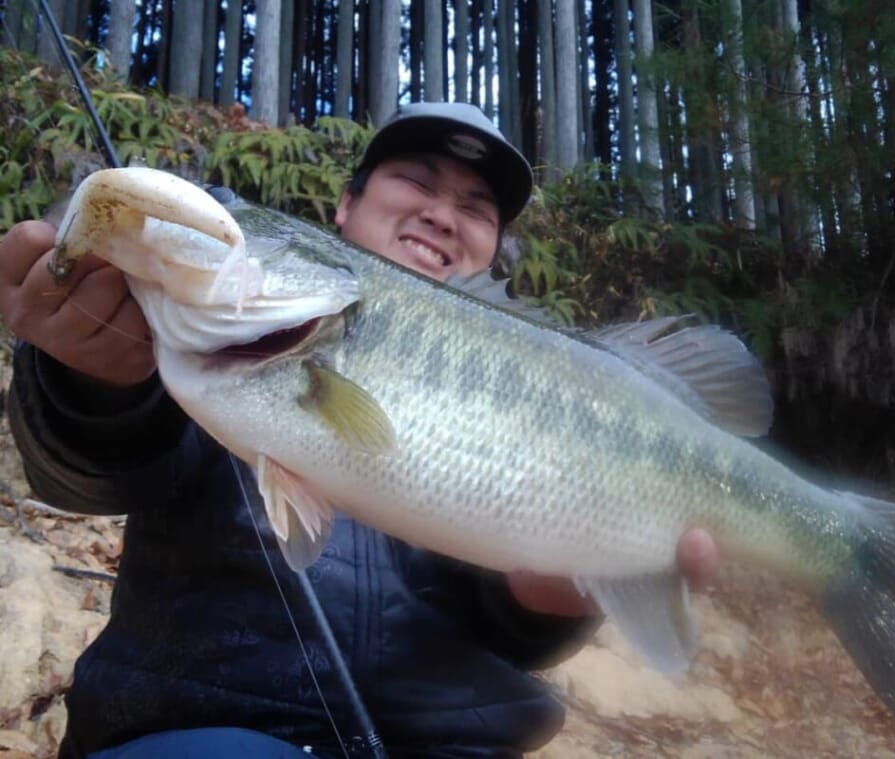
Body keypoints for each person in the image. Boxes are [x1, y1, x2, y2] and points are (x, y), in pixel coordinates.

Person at [0, 102, 719, 759]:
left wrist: (551, 596)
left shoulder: (547, 387)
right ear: (344, 206)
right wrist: (90, 376)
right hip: (205, 730)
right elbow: (85, 468)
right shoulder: (203, 341)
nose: (444, 214)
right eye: (416, 181)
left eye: (476, 207)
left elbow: (507, 634)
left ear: (493, 249)